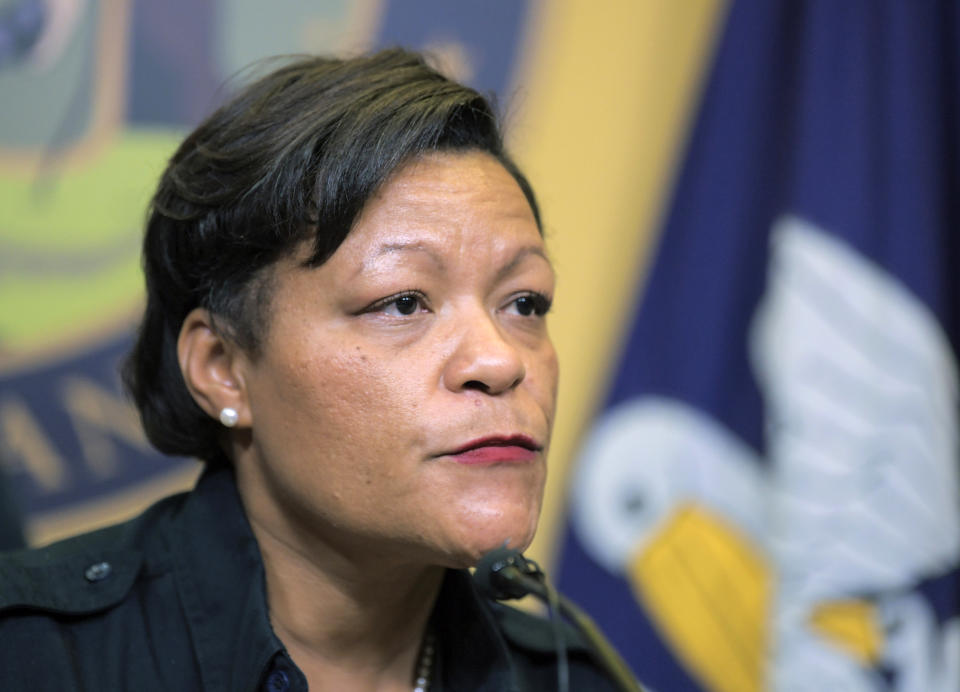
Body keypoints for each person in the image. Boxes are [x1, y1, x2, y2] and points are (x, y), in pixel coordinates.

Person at [0, 49, 631, 691]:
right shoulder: (34, 658)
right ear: (223, 368)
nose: (500, 361)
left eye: (525, 303)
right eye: (403, 302)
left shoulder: (571, 678)